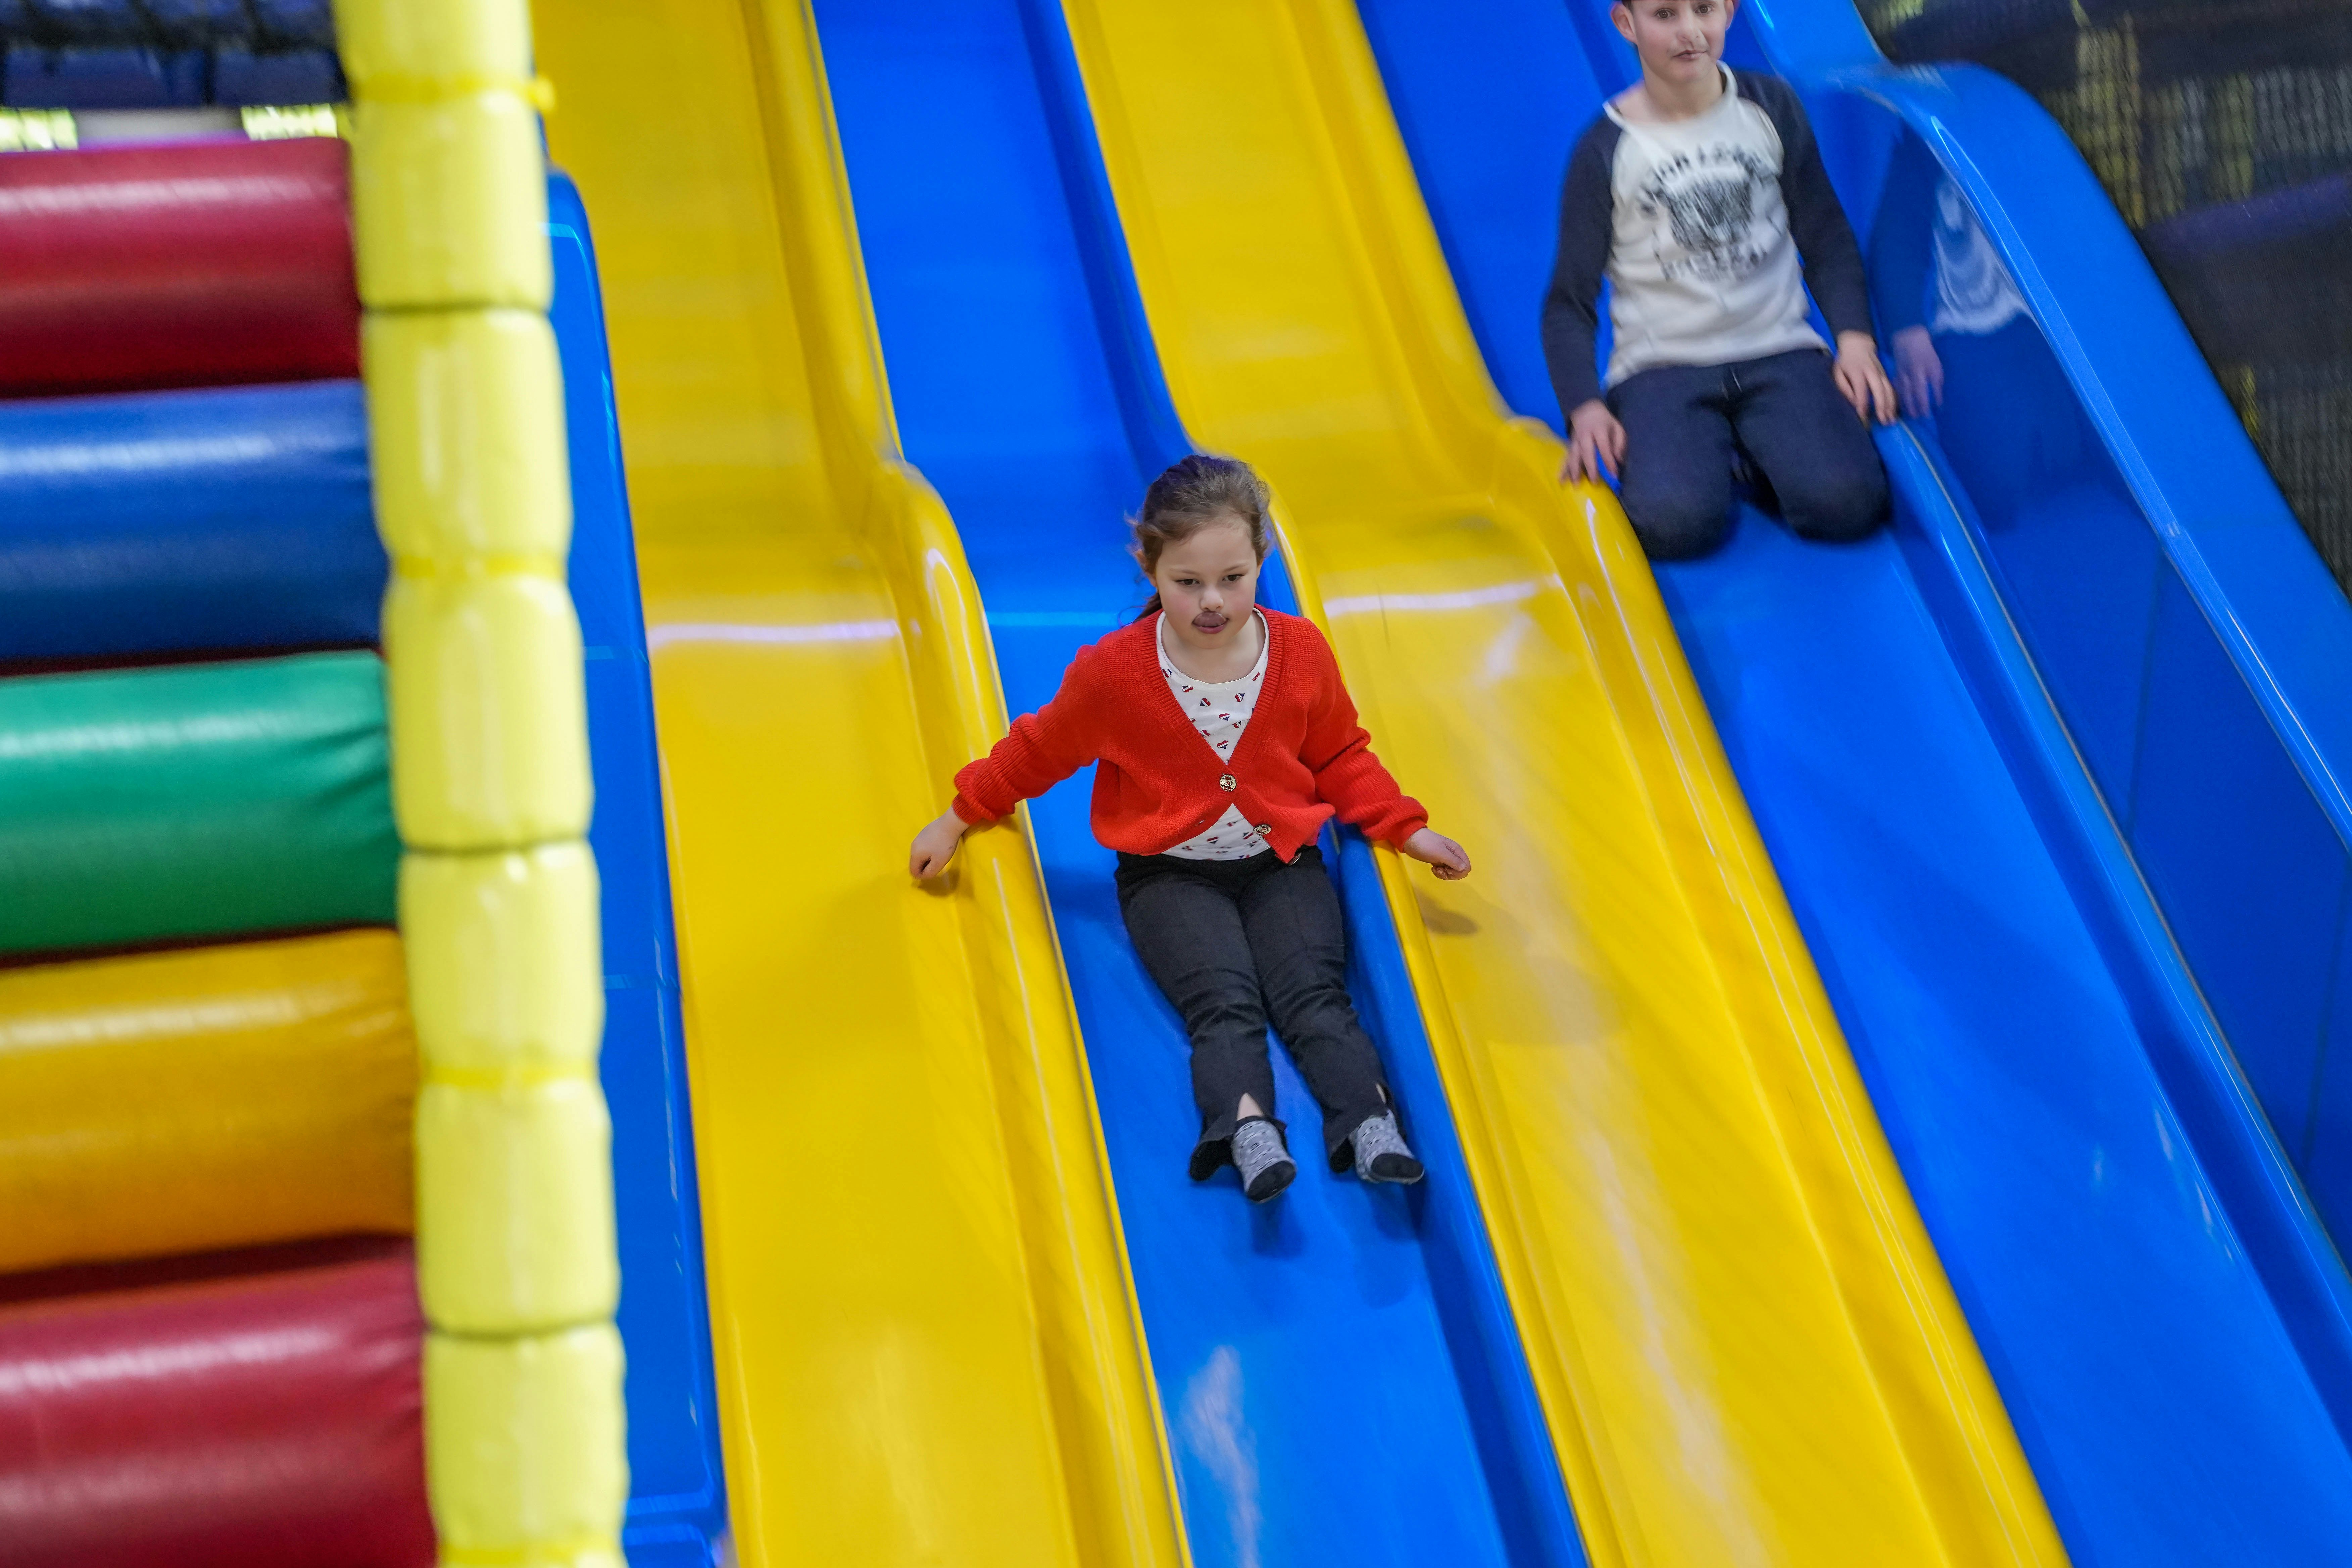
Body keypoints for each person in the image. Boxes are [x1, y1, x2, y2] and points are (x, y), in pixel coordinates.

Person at [907, 455, 1472, 1204]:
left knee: (1313, 993)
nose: (1212, 601)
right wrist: (958, 816)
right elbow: (1040, 749)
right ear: (1148, 566)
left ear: (1261, 561)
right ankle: (1247, 1130)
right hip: (1168, 873)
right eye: (1188, 582)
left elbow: (1339, 753)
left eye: (1233, 579)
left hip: (1283, 860)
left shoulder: (1299, 652)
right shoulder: (1116, 672)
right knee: (1225, 1002)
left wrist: (1407, 830)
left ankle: (1368, 1122)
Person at [1542, 0, 1899, 560]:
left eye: (1703, 9)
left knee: (1849, 505)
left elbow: (1825, 237)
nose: (1690, 32)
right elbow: (1569, 302)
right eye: (1664, 16)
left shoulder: (1769, 108)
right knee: (1672, 526)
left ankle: (1755, 449)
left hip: (1779, 350)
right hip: (1661, 369)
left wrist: (1855, 340)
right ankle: (1721, 452)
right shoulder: (1605, 150)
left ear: (1730, 9)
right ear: (1625, 24)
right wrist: (1585, 406)